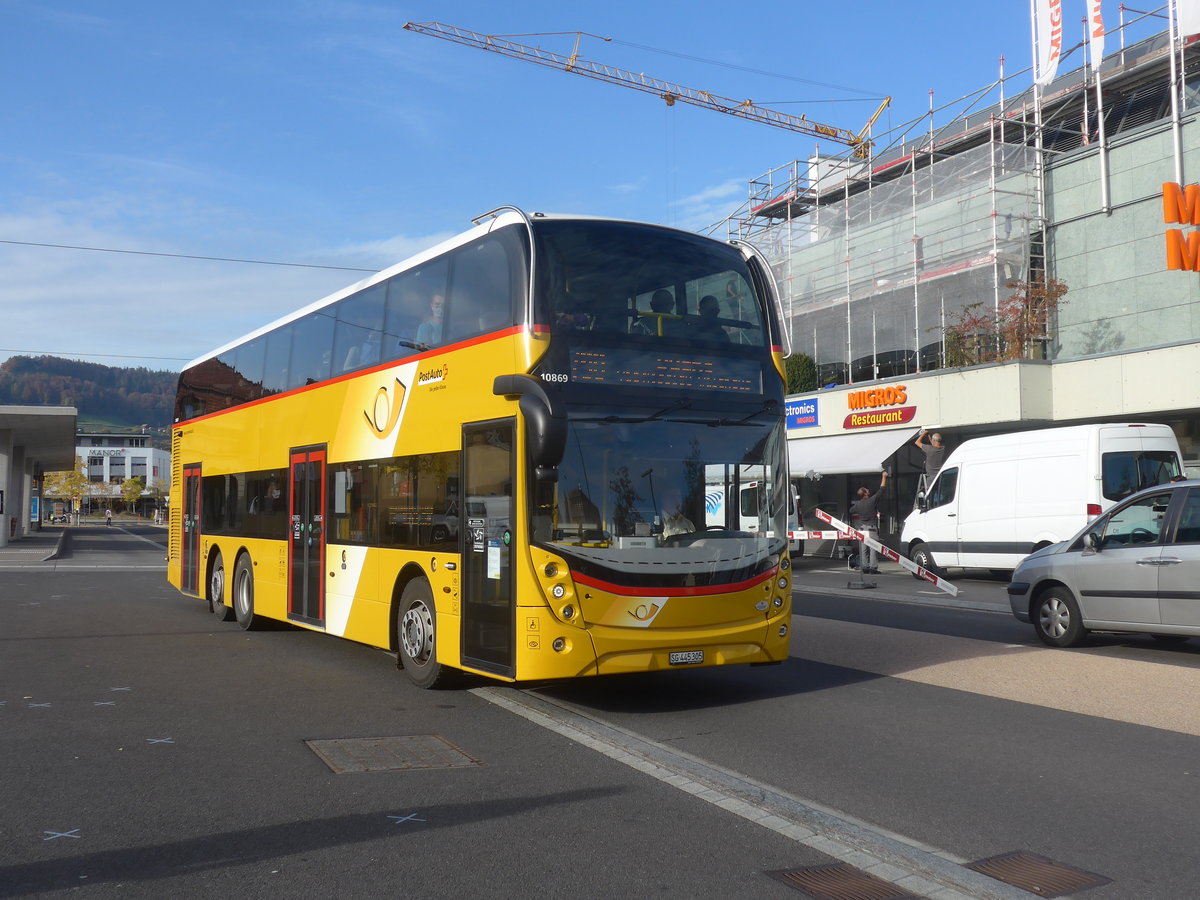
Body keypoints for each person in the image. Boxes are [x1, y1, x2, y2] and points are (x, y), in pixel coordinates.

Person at [848, 471, 887, 574]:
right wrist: (884, 477)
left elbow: (851, 511)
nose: (869, 490)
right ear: (865, 493)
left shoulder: (858, 505)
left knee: (864, 548)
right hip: (871, 528)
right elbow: (882, 490)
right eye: (867, 490)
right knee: (873, 548)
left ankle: (865, 567)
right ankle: (873, 568)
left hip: (862, 528)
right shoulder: (872, 500)